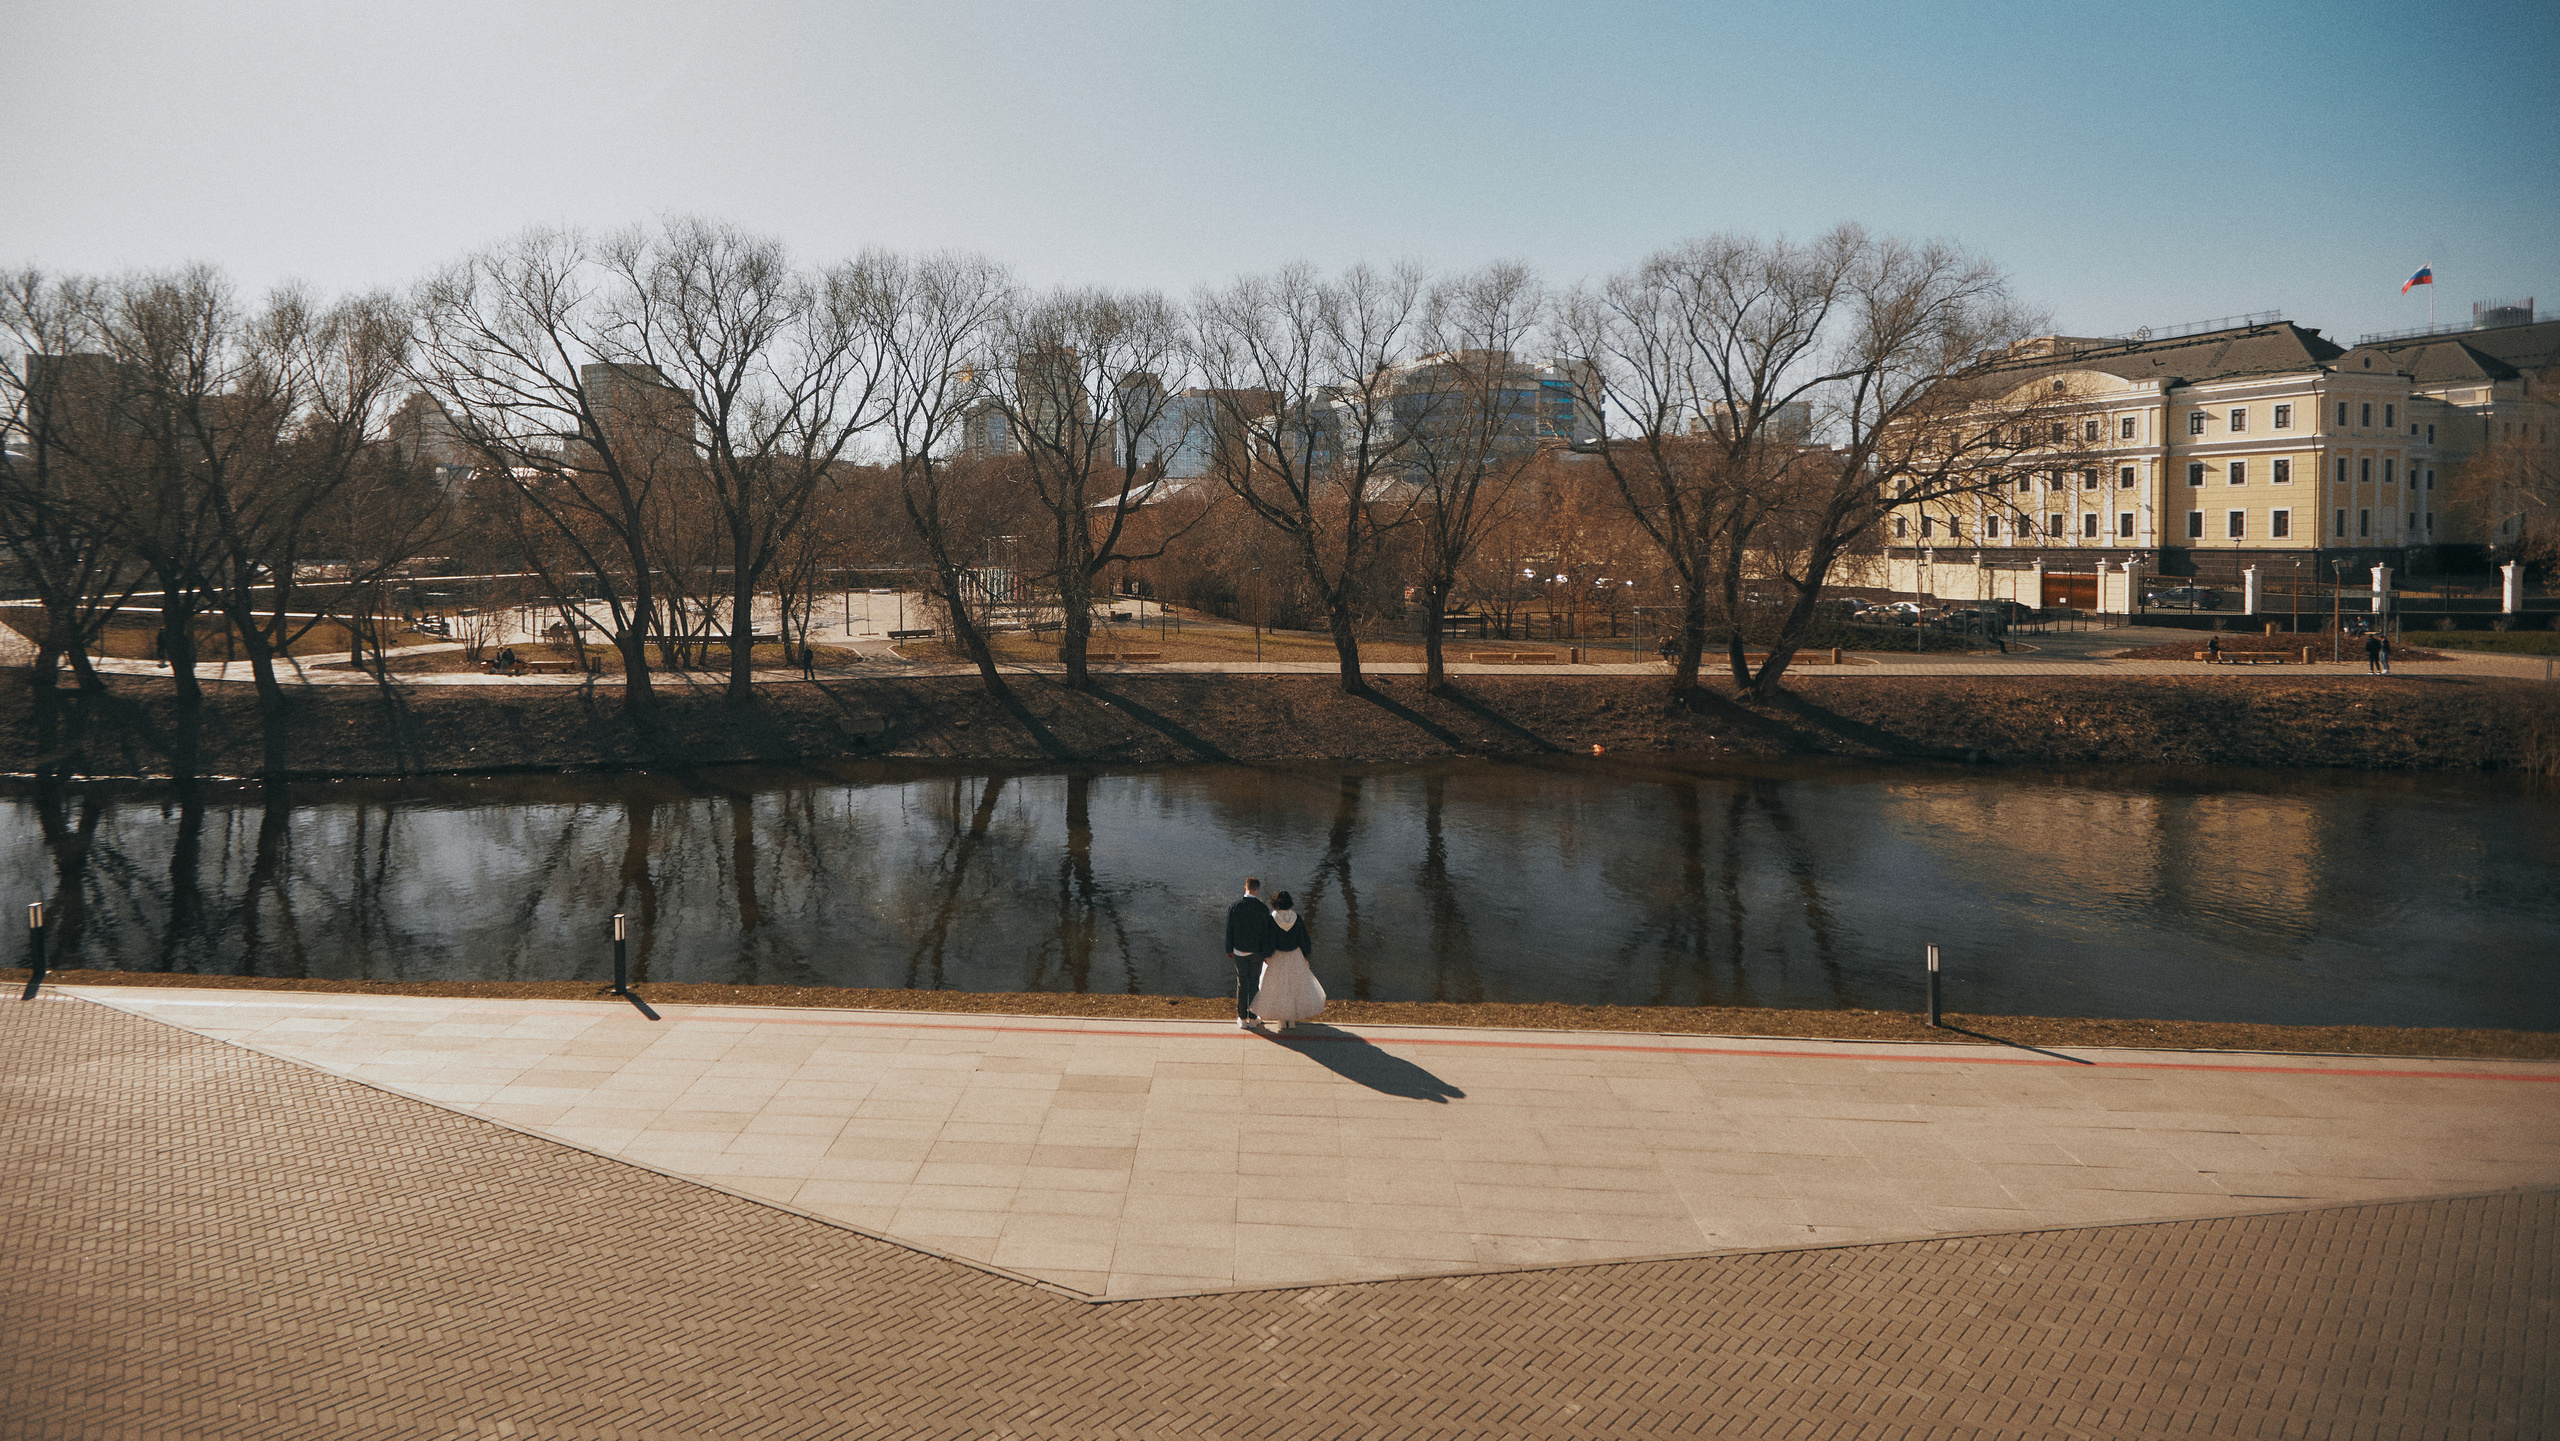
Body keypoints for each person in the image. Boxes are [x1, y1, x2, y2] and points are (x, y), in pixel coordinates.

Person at [1253, 892, 1326, 1034]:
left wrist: (1266, 955)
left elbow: (1270, 940)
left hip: (1278, 956)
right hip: (1295, 955)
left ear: (1275, 903)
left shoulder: (1272, 919)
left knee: (1278, 987)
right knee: (1294, 986)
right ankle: (1291, 1020)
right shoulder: (1296, 918)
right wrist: (1305, 954)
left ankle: (1281, 1020)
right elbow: (1304, 938)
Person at [1223, 877, 1276, 1030]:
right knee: (1254, 984)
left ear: (1245, 888)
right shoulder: (1263, 909)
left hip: (1239, 951)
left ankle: (1242, 1018)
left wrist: (1229, 949)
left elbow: (1229, 930)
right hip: (1257, 952)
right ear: (1257, 890)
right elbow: (1268, 934)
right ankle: (1253, 1018)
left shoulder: (1235, 906)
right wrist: (1267, 953)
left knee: (1242, 983)